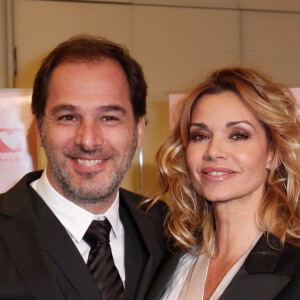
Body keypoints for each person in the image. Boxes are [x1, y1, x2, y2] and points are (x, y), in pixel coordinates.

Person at [0, 35, 168, 300]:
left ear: (138, 130)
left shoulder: (167, 228)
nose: (88, 140)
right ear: (40, 129)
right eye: (68, 117)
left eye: (109, 117)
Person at [145, 66, 300, 300]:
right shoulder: (168, 257)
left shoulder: (294, 265)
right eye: (200, 136)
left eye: (239, 135)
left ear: (272, 153)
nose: (214, 151)